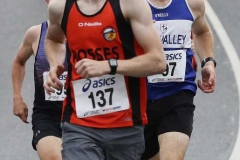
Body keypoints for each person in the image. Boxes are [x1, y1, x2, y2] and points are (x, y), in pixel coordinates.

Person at [43, 0, 166, 159]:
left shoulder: (131, 5)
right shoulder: (60, 7)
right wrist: (54, 64)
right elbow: (53, 39)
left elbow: (157, 62)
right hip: (79, 124)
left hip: (126, 126)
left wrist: (110, 66)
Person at [142, 0, 217, 160]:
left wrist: (208, 62)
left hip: (178, 94)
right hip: (139, 100)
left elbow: (201, 31)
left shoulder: (192, 3)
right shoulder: (129, 5)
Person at [12, 0, 67, 159]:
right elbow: (19, 61)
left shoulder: (89, 34)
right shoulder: (36, 33)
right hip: (48, 116)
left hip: (83, 116)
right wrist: (17, 97)